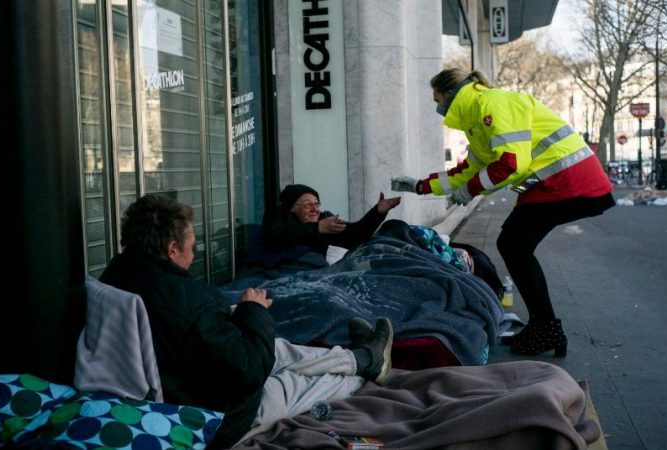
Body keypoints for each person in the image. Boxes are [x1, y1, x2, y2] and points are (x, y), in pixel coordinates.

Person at [99, 194, 394, 449]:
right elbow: (249, 370)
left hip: (178, 376)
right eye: (192, 244)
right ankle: (361, 370)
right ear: (173, 249)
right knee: (293, 382)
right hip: (215, 416)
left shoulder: (118, 273)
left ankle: (361, 356)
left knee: (280, 350)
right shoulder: (188, 298)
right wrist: (253, 311)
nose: (196, 251)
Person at [392, 68, 614, 357]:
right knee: (514, 245)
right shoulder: (476, 120)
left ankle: (545, 329)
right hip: (558, 183)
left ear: (450, 94)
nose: (438, 107)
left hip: (568, 181)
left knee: (514, 245)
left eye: (438, 99)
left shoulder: (491, 104)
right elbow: (468, 169)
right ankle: (545, 327)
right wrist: (421, 186)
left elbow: (511, 163)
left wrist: (471, 190)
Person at [261, 184, 401, 256]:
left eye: (316, 204)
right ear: (291, 208)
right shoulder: (278, 215)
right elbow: (273, 237)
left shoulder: (323, 219)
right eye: (308, 204)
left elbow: (356, 236)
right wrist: (317, 228)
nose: (315, 209)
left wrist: (377, 212)